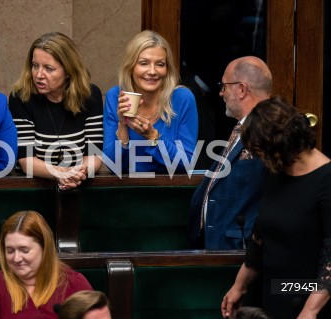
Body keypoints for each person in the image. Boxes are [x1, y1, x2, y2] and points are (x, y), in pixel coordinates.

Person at [221, 97, 331, 319]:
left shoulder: (326, 181)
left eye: (261, 152)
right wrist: (239, 286)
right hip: (274, 293)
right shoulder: (278, 171)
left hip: (310, 300)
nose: (260, 159)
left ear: (280, 144)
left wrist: (310, 311)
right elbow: (261, 234)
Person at [188, 56, 271, 250]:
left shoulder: (269, 130)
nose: (220, 93)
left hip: (241, 250)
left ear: (241, 89)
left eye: (224, 86)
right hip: (219, 245)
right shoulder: (242, 128)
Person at [9, 32, 103, 190]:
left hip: (80, 186)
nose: (39, 75)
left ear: (68, 72)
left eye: (49, 68)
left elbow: (94, 155)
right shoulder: (21, 97)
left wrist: (80, 173)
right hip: (34, 188)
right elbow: (26, 161)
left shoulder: (90, 94)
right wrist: (62, 173)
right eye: (35, 65)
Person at [102, 30, 198, 174]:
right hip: (127, 190)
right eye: (144, 63)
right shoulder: (116, 96)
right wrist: (122, 125)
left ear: (167, 69)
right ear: (131, 67)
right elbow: (113, 166)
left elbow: (186, 163)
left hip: (170, 190)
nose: (152, 71)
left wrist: (153, 137)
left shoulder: (182, 98)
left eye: (160, 64)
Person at [0, 210, 93, 318]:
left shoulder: (75, 283)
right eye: (10, 251)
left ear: (44, 248)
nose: (16, 258)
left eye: (25, 250)